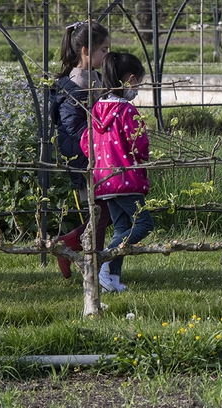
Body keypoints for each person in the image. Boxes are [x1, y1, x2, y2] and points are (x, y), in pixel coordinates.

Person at [81, 52, 153, 294]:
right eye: (138, 83)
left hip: (104, 180)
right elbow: (139, 145)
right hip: (126, 181)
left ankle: (111, 277)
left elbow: (85, 143)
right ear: (130, 80)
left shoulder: (96, 109)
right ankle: (104, 263)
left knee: (122, 227)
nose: (138, 88)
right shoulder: (127, 112)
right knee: (144, 223)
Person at [51, 20, 113, 279]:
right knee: (101, 212)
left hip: (101, 157)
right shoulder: (72, 87)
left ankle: (74, 249)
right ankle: (80, 254)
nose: (107, 55)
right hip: (84, 158)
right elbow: (74, 128)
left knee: (104, 212)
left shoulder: (96, 79)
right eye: (104, 50)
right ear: (86, 51)